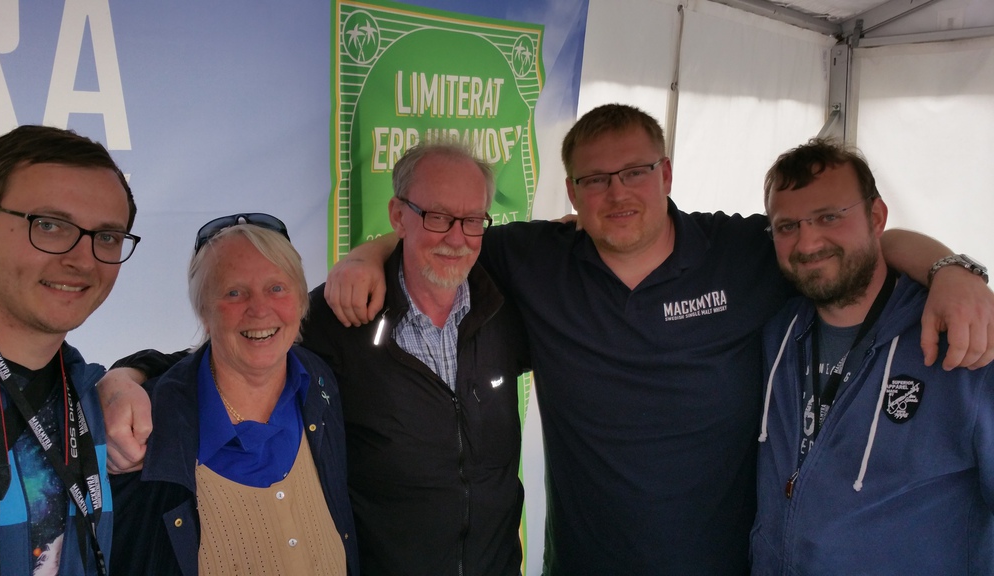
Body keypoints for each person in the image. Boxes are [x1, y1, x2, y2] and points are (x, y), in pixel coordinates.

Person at [320, 104, 994, 574]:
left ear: (666, 175)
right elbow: (439, 234)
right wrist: (362, 257)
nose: (617, 194)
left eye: (635, 172)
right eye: (595, 180)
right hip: (583, 565)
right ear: (572, 193)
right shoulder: (534, 258)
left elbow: (843, 245)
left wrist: (951, 270)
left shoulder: (740, 252)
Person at [105, 142, 531, 575]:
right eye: (437, 216)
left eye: (472, 220)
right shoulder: (342, 317)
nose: (456, 237)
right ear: (398, 215)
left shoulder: (508, 307)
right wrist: (124, 379)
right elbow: (233, 351)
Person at [752, 139, 994, 574]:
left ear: (877, 216)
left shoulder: (964, 341)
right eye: (787, 226)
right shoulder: (777, 332)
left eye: (829, 216)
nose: (808, 242)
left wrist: (955, 272)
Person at [109, 216, 358, 575]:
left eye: (277, 288)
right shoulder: (144, 428)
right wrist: (116, 379)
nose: (260, 309)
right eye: (234, 293)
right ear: (204, 310)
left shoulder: (319, 381)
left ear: (302, 300)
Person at [0, 125, 139, 575]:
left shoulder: (88, 395)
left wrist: (130, 374)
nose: (82, 260)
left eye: (107, 236)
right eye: (49, 225)